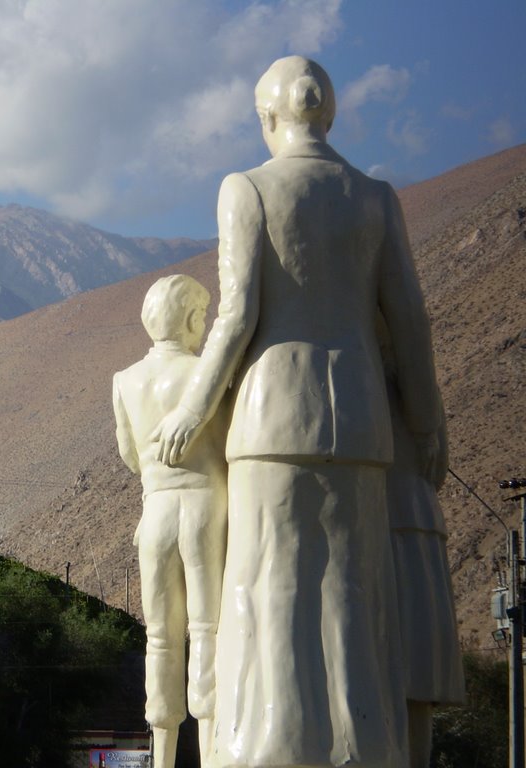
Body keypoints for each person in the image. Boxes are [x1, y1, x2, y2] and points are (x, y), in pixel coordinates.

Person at [152, 56, 445, 767]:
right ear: (330, 112)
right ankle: (364, 742)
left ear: (267, 116)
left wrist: (195, 408)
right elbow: (409, 318)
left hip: (272, 418)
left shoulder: (246, 188)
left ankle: (269, 744)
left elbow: (236, 317)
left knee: (271, 582)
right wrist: (427, 419)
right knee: (354, 589)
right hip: (361, 424)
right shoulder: (375, 197)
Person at [113, 274, 228, 768]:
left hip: (156, 512)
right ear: (188, 318)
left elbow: (129, 454)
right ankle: (210, 750)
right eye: (201, 315)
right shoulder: (208, 374)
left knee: (159, 636)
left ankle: (162, 755)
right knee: (208, 630)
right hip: (207, 509)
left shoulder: (125, 381)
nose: (203, 326)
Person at [379, 321, 465, 768]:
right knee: (412, 672)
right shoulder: (420, 403)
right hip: (413, 519)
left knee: (393, 666)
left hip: (392, 525)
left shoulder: (363, 385)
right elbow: (439, 463)